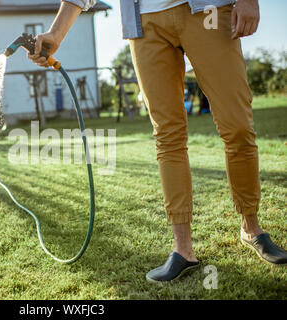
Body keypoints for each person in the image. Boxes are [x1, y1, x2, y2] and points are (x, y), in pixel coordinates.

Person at [27, 0, 287, 282]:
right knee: (167, 135)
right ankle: (183, 249)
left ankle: (251, 228)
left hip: (207, 10)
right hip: (145, 22)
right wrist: (56, 33)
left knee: (237, 126)